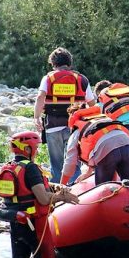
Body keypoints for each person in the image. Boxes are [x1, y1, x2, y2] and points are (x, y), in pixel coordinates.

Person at [0, 131, 79, 258]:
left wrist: (54, 186)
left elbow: (24, 190)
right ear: (27, 149)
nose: (37, 151)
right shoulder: (31, 168)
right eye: (36, 147)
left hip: (16, 223)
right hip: (35, 225)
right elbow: (44, 199)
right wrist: (62, 197)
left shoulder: (10, 167)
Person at [34, 47, 96, 183]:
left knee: (56, 166)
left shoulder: (48, 78)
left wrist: (37, 117)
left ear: (53, 64)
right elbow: (92, 103)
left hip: (52, 126)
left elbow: (40, 97)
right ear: (70, 63)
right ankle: (75, 192)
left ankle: (58, 198)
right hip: (75, 128)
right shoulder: (82, 79)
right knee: (74, 164)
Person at [60, 104, 129, 185]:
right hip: (128, 144)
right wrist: (88, 173)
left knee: (104, 189)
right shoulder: (104, 119)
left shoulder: (77, 131)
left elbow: (70, 163)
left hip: (107, 149)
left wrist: (61, 186)